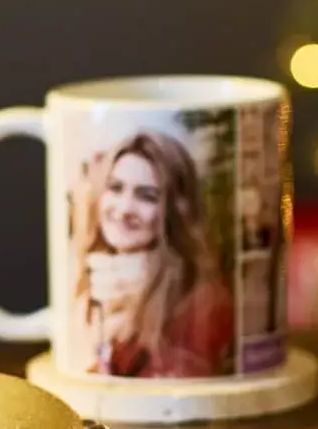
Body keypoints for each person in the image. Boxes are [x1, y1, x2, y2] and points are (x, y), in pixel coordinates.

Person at [69, 132, 234, 378]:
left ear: (176, 210)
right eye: (115, 188)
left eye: (147, 196)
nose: (124, 209)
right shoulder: (90, 278)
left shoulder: (201, 300)